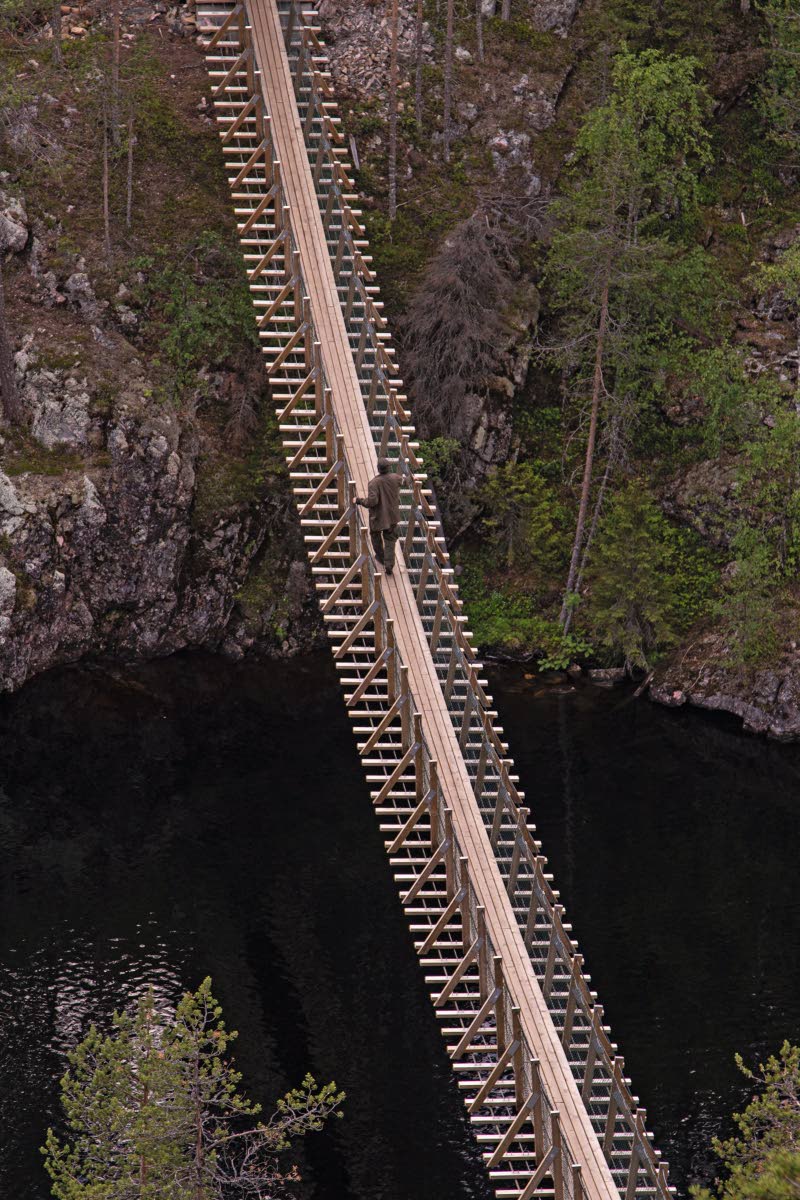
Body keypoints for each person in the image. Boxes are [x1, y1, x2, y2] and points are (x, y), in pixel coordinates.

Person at [357, 457, 402, 576]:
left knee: (375, 537)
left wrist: (359, 501)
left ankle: (381, 558)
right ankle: (389, 564)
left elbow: (372, 502)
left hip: (377, 517)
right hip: (392, 516)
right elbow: (405, 481)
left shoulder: (373, 483)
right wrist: (412, 479)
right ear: (389, 468)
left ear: (378, 469)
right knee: (390, 540)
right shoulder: (396, 478)